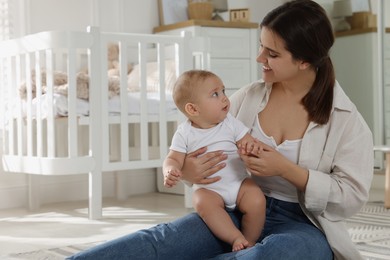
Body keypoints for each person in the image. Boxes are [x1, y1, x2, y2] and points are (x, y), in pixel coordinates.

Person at [67, 0, 373, 259]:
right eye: (261, 47)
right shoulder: (247, 98)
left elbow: (351, 197)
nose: (259, 59)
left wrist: (286, 169)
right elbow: (194, 140)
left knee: (274, 253)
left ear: (305, 61)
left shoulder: (345, 119)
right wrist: (186, 170)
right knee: (162, 240)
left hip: (304, 225)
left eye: (272, 54)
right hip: (233, 210)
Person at [163, 70, 266, 252]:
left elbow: (246, 140)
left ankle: (249, 241)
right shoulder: (184, 133)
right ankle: (235, 237)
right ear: (193, 109)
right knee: (202, 202)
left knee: (257, 199)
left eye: (224, 91)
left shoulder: (230, 123)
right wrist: (170, 170)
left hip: (238, 183)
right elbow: (173, 158)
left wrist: (252, 146)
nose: (225, 98)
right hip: (209, 190)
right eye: (215, 94)